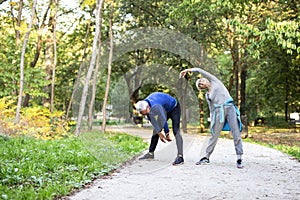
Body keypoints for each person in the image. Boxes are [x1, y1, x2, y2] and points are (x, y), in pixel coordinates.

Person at [179, 68, 244, 168]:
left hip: (230, 108)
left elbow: (201, 70)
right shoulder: (208, 95)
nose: (201, 82)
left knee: (236, 133)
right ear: (201, 87)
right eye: (199, 84)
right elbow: (212, 109)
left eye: (201, 80)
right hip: (218, 112)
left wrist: (188, 70)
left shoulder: (215, 82)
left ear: (206, 80)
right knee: (214, 134)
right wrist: (212, 121)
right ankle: (206, 156)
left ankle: (239, 157)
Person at [135, 92, 184, 166]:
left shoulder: (156, 106)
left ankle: (180, 157)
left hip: (174, 108)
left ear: (148, 107)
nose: (145, 115)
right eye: (143, 114)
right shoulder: (144, 105)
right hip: (164, 108)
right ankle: (150, 153)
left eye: (145, 113)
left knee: (176, 130)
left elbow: (163, 119)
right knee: (155, 131)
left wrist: (167, 133)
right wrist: (159, 133)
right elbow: (153, 121)